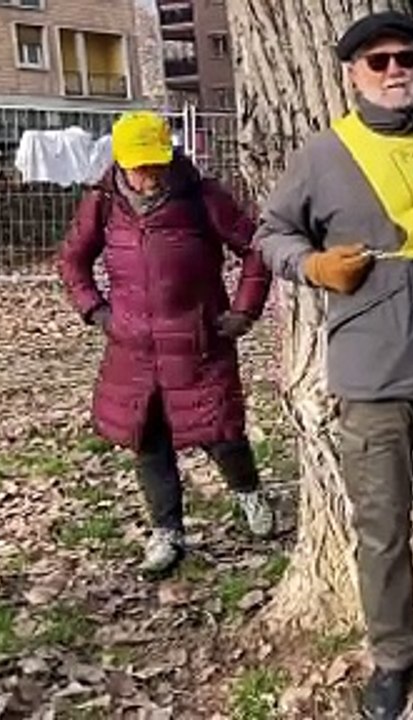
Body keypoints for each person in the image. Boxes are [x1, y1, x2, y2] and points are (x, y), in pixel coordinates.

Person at [253, 11, 413, 719]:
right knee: (382, 522)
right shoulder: (325, 155)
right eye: (379, 62)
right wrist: (310, 264)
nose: (396, 70)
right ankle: (394, 655)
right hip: (372, 366)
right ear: (352, 76)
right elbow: (270, 232)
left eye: (406, 58)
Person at [58, 111, 275, 576]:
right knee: (149, 441)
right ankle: (168, 531)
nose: (149, 175)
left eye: (156, 163)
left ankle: (249, 495)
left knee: (223, 433)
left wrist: (244, 310)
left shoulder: (202, 196)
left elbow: (257, 248)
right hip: (132, 350)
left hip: (199, 342)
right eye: (139, 166)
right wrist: (95, 310)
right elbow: (73, 259)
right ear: (120, 161)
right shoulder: (102, 202)